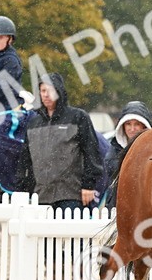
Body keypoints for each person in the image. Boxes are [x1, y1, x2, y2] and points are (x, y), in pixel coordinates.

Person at [13, 72, 103, 211]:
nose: (46, 94)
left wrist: (88, 185)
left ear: (59, 91)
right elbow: (25, 160)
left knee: (70, 233)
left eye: (50, 90)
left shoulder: (78, 117)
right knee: (42, 233)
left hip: (71, 195)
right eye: (43, 91)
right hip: (41, 196)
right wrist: (22, 189)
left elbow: (91, 153)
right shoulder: (33, 123)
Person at [103, 101, 152, 208]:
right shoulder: (115, 147)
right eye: (128, 124)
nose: (132, 129)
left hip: (144, 201)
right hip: (118, 201)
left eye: (137, 124)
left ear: (144, 126)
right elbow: (111, 168)